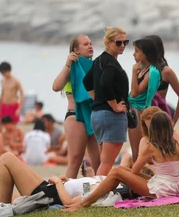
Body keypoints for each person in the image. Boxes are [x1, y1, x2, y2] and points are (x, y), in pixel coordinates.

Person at [64, 110, 179, 211]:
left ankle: (84, 202)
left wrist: (146, 160)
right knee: (121, 169)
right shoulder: (177, 145)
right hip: (175, 186)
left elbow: (134, 172)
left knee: (117, 172)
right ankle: (97, 196)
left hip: (160, 190)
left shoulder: (151, 146)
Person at [52, 34, 101, 178]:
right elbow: (56, 86)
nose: (90, 46)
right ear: (76, 50)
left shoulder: (95, 67)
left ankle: (101, 193)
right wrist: (68, 64)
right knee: (75, 160)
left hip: (92, 116)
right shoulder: (72, 68)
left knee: (98, 161)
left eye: (91, 43)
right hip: (75, 116)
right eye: (86, 44)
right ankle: (64, 194)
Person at [83, 26, 130, 175]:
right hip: (111, 115)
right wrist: (114, 105)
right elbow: (104, 83)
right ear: (108, 43)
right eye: (118, 42)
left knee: (104, 161)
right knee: (107, 162)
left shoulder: (99, 61)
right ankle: (97, 192)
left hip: (97, 114)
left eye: (125, 42)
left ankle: (97, 190)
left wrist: (97, 98)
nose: (122, 45)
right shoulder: (110, 63)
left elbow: (87, 81)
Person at [128, 37, 162, 163]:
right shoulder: (142, 69)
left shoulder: (152, 72)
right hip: (134, 110)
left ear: (146, 53)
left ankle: (138, 179)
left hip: (141, 112)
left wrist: (133, 72)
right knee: (135, 150)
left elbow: (135, 93)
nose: (134, 54)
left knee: (140, 152)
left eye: (137, 51)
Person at [147, 35, 179, 124]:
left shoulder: (166, 71)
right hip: (142, 115)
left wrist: (174, 120)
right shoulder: (141, 69)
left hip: (159, 116)